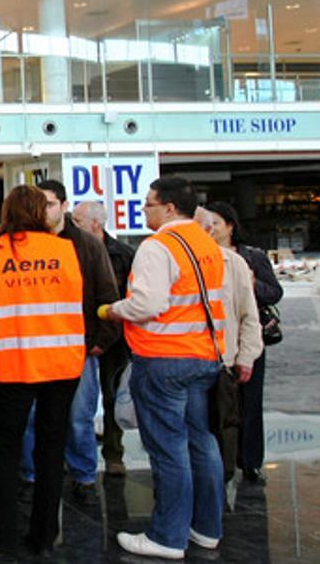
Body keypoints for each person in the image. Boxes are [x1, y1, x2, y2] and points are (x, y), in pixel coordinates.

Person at [104, 176, 228, 559]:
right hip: (204, 356)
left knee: (169, 449)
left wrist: (111, 309)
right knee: (202, 442)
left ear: (169, 208)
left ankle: (167, 537)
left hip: (163, 359)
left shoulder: (157, 248)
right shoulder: (206, 243)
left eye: (149, 204)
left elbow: (147, 304)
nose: (144, 210)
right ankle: (206, 528)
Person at [0, 185, 85, 559]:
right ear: (42, 212)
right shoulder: (65, 249)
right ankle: (43, 535)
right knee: (51, 451)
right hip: (63, 363)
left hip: (14, 362)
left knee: (5, 452)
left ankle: (1, 535)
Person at [23, 179, 119, 507]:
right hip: (33, 350)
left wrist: (99, 342)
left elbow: (107, 293)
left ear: (63, 206)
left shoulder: (88, 246)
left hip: (78, 350)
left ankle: (83, 476)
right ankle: (32, 476)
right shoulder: (23, 245)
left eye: (49, 204)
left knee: (79, 418)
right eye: (39, 205)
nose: (43, 211)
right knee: (34, 417)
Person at [201, 202, 280, 484]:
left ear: (230, 226)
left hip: (248, 338)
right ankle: (223, 461)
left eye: (216, 224)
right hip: (215, 345)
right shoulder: (203, 257)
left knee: (250, 402)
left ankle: (250, 461)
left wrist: (248, 283)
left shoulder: (252, 256)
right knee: (219, 405)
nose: (211, 230)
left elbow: (274, 292)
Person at [71, 200, 136, 477]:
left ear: (95, 223)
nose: (72, 225)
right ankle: (75, 455)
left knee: (112, 396)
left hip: (115, 337)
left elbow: (126, 297)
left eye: (77, 220)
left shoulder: (122, 253)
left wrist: (106, 336)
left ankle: (113, 453)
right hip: (81, 337)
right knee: (79, 403)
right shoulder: (72, 249)